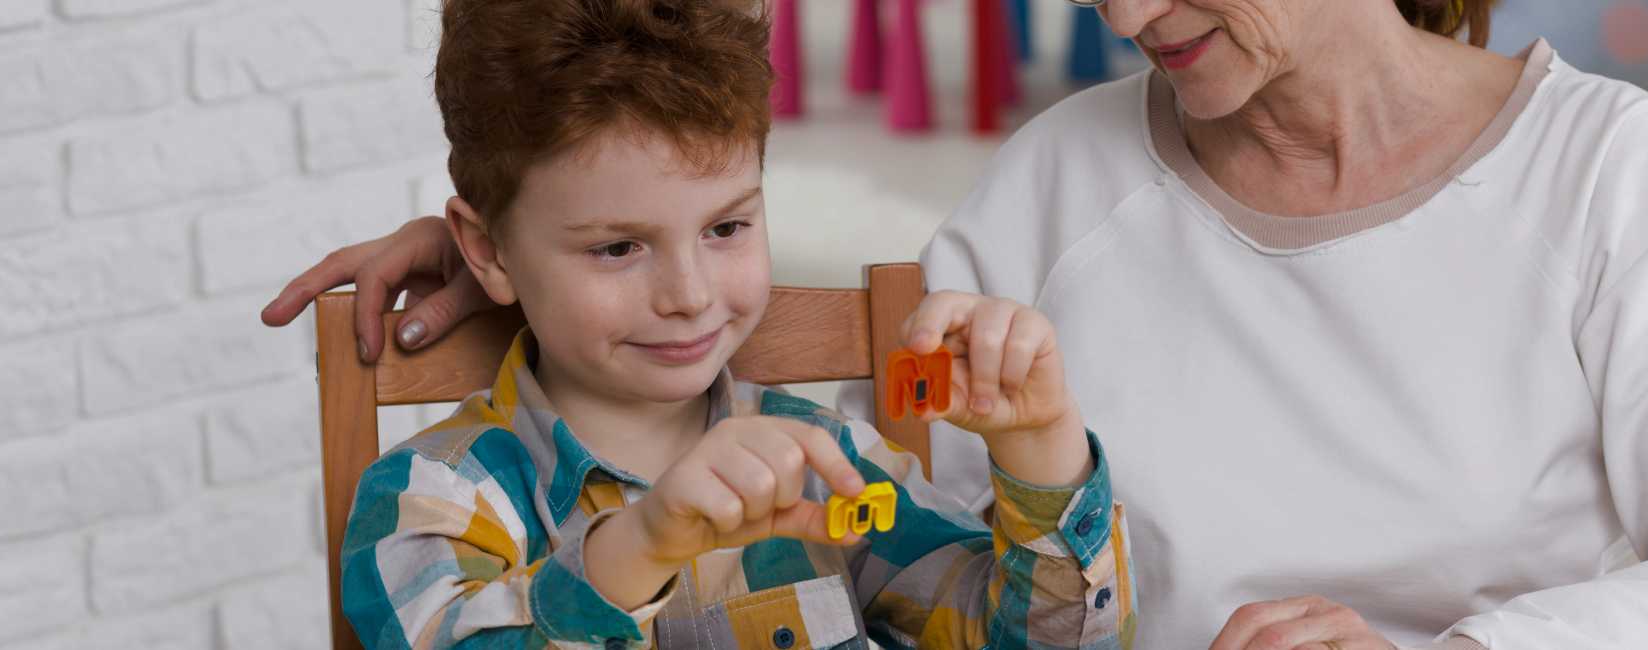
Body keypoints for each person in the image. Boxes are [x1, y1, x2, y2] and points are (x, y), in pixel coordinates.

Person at [271, 0, 1648, 647]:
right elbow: (900, 479)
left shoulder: (1602, 170)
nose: (1126, 5)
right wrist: (518, 247)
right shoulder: (1055, 185)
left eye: (719, 232)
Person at [335, 1, 1134, 647]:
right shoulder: (435, 499)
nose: (688, 294)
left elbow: (1036, 640)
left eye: (726, 228)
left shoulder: (835, 465)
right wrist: (638, 546)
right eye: (616, 247)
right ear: (486, 250)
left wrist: (1041, 451)